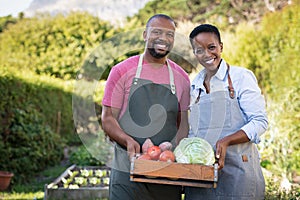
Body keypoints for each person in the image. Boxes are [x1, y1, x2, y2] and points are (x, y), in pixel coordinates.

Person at [101, 14, 190, 200]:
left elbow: (182, 124)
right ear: (144, 35)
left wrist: (180, 159)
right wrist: (127, 141)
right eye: (157, 32)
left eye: (170, 35)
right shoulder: (121, 71)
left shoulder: (182, 77)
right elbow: (108, 118)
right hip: (127, 171)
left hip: (167, 174)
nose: (163, 39)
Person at [186, 24, 268, 200]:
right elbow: (193, 132)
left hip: (238, 176)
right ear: (194, 53)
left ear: (221, 47)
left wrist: (226, 141)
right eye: (200, 50)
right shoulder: (194, 87)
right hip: (202, 178)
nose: (207, 54)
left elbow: (259, 121)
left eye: (212, 47)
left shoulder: (240, 77)